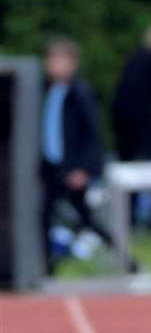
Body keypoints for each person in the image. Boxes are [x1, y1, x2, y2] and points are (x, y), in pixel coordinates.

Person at [39, 38, 129, 274]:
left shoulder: (80, 92)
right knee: (46, 217)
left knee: (86, 220)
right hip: (53, 167)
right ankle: (47, 267)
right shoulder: (47, 91)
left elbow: (92, 135)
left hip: (73, 168)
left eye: (59, 60)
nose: (52, 65)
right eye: (50, 60)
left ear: (72, 63)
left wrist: (85, 169)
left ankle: (126, 260)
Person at [110, 22, 151, 228]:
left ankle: (127, 216)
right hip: (143, 115)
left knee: (128, 165)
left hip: (121, 116)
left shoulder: (135, 56)